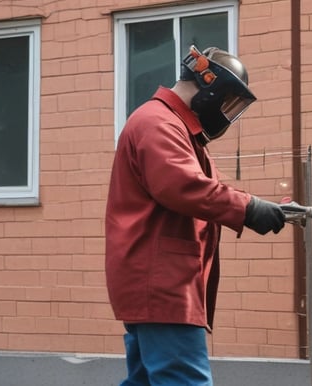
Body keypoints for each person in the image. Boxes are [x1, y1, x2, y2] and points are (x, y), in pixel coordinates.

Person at [105, 45, 287, 385]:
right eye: (227, 101)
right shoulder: (158, 123)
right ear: (211, 86)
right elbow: (182, 186)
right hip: (163, 285)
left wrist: (253, 206)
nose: (225, 113)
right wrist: (248, 208)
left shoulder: (168, 124)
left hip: (159, 282)